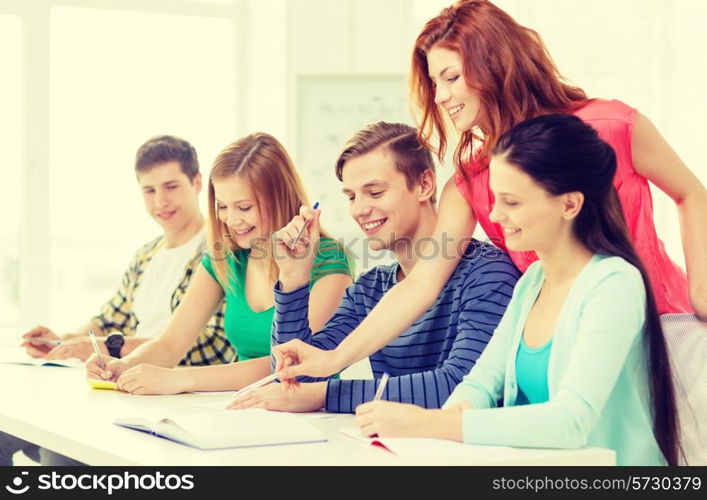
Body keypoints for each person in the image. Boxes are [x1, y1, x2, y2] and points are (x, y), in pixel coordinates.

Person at [272, 0, 707, 383]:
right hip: (561, 349)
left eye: (451, 77)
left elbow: (691, 193)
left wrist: (702, 293)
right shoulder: (469, 181)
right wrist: (333, 359)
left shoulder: (612, 126)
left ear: (495, 65)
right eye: (434, 83)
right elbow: (422, 283)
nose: (440, 96)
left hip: (663, 329)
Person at [355, 114, 679, 466]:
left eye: (511, 202)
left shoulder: (615, 284)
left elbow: (570, 422)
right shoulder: (533, 282)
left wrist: (430, 423)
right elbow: (480, 384)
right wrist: (434, 434)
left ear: (569, 204)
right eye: (495, 199)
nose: (494, 215)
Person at [229, 122, 519, 413]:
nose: (359, 210)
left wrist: (325, 395)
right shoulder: (370, 289)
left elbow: (460, 387)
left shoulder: (488, 274)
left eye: (375, 192)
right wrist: (293, 277)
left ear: (424, 185)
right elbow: (297, 374)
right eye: (352, 197)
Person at [3, 135, 235, 466]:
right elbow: (110, 319)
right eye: (149, 190)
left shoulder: (218, 251)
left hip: (171, 395)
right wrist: (61, 340)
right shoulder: (147, 254)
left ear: (197, 183)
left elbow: (207, 345)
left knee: (64, 457)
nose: (161, 202)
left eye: (171, 186)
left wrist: (107, 348)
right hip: (125, 382)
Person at [86, 132, 354, 395]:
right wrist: (124, 366)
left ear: (279, 197)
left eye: (244, 207)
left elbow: (297, 363)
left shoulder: (328, 259)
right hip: (242, 406)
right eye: (223, 207)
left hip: (310, 411)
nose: (231, 219)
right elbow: (170, 344)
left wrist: (179, 379)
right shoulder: (227, 258)